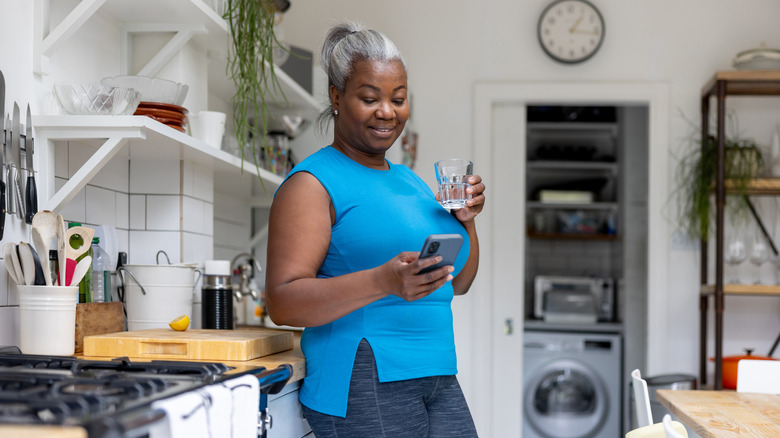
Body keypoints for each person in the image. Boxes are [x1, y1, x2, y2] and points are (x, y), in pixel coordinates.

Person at [265, 21, 485, 438]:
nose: (388, 111)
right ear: (336, 96)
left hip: (437, 372)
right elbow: (284, 302)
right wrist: (383, 280)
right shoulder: (312, 183)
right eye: (370, 98)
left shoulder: (412, 182)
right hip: (365, 377)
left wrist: (467, 224)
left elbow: (460, 283)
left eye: (398, 99)